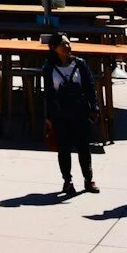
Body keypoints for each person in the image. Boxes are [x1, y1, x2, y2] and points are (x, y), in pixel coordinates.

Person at [44, 35, 98, 195]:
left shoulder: (80, 64)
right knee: (64, 149)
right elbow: (48, 94)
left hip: (80, 112)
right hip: (61, 115)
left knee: (84, 149)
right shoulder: (49, 68)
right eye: (63, 44)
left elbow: (89, 87)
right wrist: (49, 117)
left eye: (68, 42)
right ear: (54, 48)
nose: (68, 46)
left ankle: (89, 180)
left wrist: (94, 108)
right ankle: (67, 181)